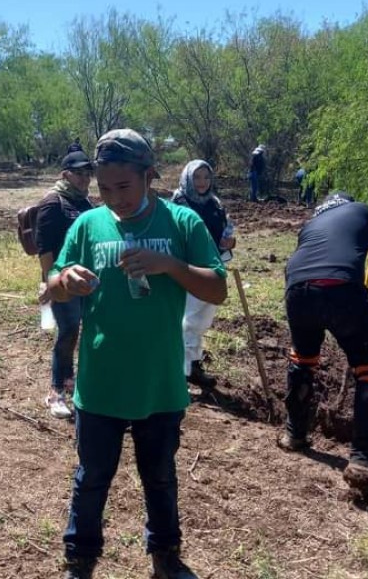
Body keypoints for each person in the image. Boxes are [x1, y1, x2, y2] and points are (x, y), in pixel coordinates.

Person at [47, 129, 227, 579]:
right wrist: (65, 280)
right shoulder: (89, 224)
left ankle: (165, 556)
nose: (114, 198)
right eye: (104, 189)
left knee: (161, 476)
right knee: (91, 478)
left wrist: (171, 265)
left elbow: (218, 288)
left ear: (149, 177)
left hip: (160, 381)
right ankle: (80, 558)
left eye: (123, 187)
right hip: (101, 381)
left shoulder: (182, 223)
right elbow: (50, 284)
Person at [280, 191, 368, 497]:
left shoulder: (311, 222)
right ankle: (363, 458)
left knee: (303, 359)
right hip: (341, 287)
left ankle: (294, 433)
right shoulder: (362, 211)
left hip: (297, 291)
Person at [36, 148, 94, 418]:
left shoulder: (84, 202)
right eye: (78, 173)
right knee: (68, 332)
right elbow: (45, 248)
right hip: (62, 281)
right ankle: (56, 391)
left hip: (85, 280)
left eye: (87, 173)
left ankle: (73, 383)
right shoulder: (53, 203)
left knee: (82, 332)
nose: (84, 178)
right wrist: (51, 283)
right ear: (65, 174)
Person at [172, 160, 236, 390]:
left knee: (201, 321)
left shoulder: (215, 204)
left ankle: (193, 367)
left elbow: (224, 232)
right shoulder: (178, 203)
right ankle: (179, 372)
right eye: (197, 177)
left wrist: (230, 242)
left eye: (206, 177)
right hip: (189, 269)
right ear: (187, 178)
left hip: (213, 268)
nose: (202, 182)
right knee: (187, 320)